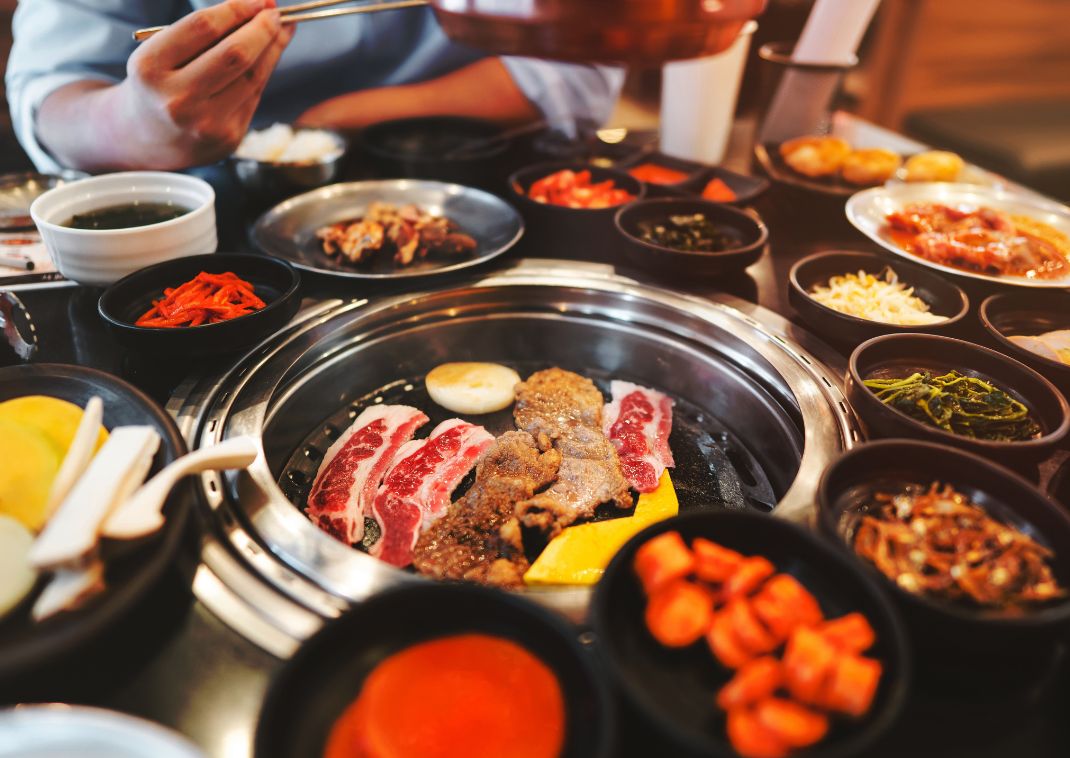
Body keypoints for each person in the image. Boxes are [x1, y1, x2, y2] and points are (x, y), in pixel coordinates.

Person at [6, 0, 623, 173]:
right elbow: (53, 83)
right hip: (208, 196)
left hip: (483, 165)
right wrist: (132, 125)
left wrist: (344, 117)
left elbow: (580, 60)